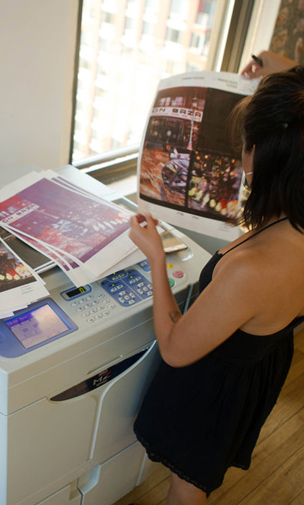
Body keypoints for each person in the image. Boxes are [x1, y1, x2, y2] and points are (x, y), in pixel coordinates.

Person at [128, 65, 304, 505]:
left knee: (188, 488)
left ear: (259, 152)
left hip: (216, 390)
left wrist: (155, 255)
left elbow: (173, 347)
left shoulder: (253, 268)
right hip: (259, 369)